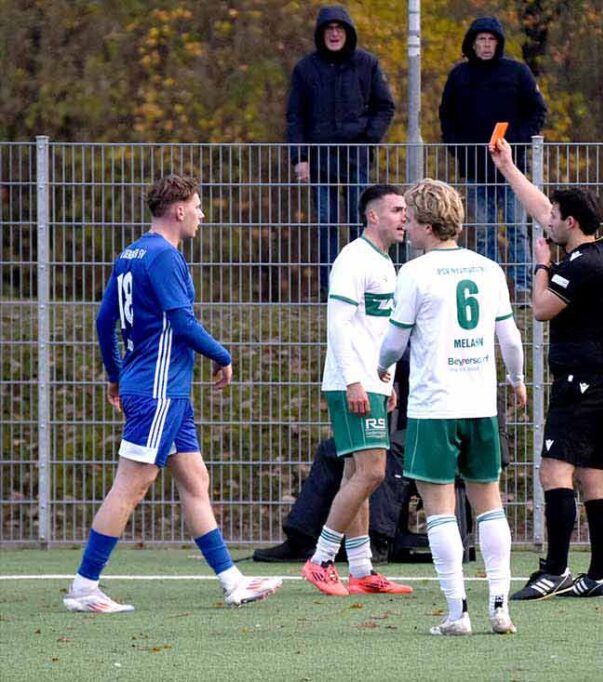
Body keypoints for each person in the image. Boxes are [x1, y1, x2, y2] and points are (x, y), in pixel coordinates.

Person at [64, 174, 282, 613]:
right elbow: (182, 324)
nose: (202, 214)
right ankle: (85, 587)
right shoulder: (165, 257)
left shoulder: (131, 253)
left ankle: (233, 582)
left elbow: (104, 320)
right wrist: (222, 355)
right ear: (178, 210)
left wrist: (115, 374)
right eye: (198, 206)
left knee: (195, 480)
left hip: (162, 387)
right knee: (131, 485)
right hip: (159, 389)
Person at [377, 178, 528, 635]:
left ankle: (456, 612)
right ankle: (500, 607)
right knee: (490, 504)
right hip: (480, 404)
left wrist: (382, 369)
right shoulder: (487, 269)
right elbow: (511, 338)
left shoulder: (414, 273)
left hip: (433, 407)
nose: (408, 225)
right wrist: (517, 381)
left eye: (411, 218)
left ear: (425, 225)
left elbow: (394, 342)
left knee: (440, 509)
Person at [489, 138, 603, 599]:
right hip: (595, 384)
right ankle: (599, 575)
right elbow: (543, 206)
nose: (545, 224)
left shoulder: (581, 266)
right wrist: (508, 167)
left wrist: (541, 265)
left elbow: (542, 308)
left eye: (553, 220)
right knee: (591, 475)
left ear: (571, 223)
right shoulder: (590, 252)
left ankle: (556, 570)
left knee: (553, 471)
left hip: (581, 386)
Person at [300, 185, 413, 596]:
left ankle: (362, 569)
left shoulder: (386, 263)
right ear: (373, 216)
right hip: (352, 383)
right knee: (372, 472)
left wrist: (387, 380)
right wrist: (353, 381)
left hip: (373, 382)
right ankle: (320, 560)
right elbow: (340, 325)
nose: (405, 217)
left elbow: (380, 331)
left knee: (356, 473)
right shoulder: (353, 259)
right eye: (397, 210)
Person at [287, 5, 396, 296]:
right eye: (329, 29)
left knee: (361, 222)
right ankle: (329, 287)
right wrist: (300, 158)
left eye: (340, 29)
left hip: (355, 158)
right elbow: (295, 116)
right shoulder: (305, 69)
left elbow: (385, 107)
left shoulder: (367, 64)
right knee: (326, 224)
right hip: (320, 160)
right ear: (321, 33)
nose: (334, 34)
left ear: (348, 33)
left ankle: (361, 286)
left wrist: (367, 139)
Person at [439, 16, 548, 299]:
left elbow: (537, 111)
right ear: (472, 44)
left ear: (498, 43)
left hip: (512, 168)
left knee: (516, 228)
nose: (486, 46)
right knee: (485, 231)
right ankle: (489, 289)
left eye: (491, 40)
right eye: (481, 40)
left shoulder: (517, 72)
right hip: (475, 167)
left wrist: (516, 141)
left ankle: (524, 287)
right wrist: (457, 147)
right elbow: (446, 117)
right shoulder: (458, 76)